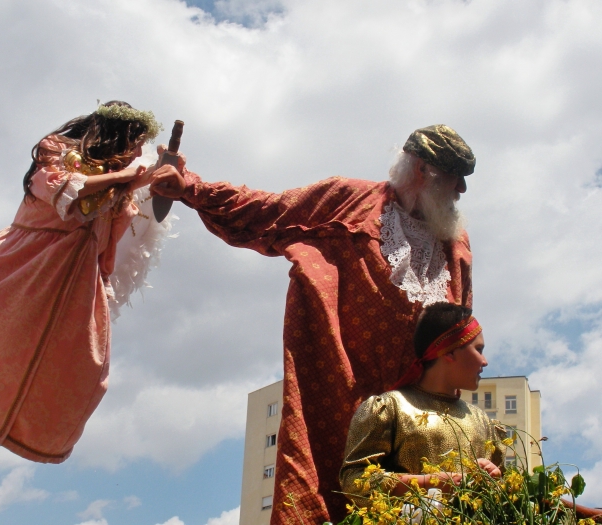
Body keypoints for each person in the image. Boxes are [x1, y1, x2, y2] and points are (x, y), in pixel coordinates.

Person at [150, 124, 476, 524]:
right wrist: (189, 187)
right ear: (424, 170)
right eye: (456, 179)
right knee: (326, 494)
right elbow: (266, 210)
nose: (461, 191)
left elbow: (460, 332)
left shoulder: (455, 244)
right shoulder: (348, 201)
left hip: (419, 417)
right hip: (340, 393)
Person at [0, 101, 181, 463]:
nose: (134, 151)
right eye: (133, 141)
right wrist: (125, 178)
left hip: (73, 279)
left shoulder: (122, 190)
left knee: (77, 371)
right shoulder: (59, 151)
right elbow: (61, 189)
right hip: (29, 261)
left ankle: (25, 427)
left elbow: (135, 225)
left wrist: (163, 176)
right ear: (116, 134)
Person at [339, 303, 504, 505]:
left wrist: (493, 479)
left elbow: (504, 497)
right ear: (449, 351)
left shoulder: (482, 421)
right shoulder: (390, 408)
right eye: (478, 349)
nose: (485, 361)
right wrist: (430, 482)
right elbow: (354, 481)